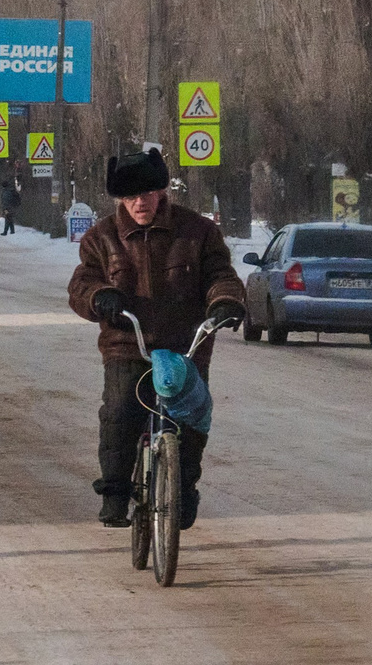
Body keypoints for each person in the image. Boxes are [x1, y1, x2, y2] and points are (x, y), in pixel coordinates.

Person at [66, 149, 247, 531]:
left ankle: (183, 491)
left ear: (161, 192)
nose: (139, 202)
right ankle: (115, 494)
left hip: (186, 346)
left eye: (147, 193)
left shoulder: (197, 232)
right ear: (119, 198)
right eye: (130, 196)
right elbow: (82, 283)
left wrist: (226, 302)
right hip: (127, 345)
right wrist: (101, 295)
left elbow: (220, 274)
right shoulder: (101, 237)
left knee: (190, 420)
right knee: (120, 411)